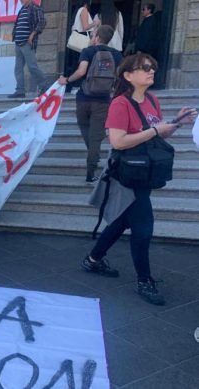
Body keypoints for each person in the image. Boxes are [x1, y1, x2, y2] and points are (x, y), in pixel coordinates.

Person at [84, 53, 197, 305]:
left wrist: (176, 123)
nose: (151, 71)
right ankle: (144, 281)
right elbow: (117, 141)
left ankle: (93, 259)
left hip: (144, 173)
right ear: (128, 75)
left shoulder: (152, 100)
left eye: (153, 67)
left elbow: (154, 139)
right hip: (126, 175)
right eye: (145, 68)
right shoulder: (120, 104)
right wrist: (156, 129)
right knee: (143, 228)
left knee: (123, 220)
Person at [58, 25, 122, 183]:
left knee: (84, 127)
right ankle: (91, 172)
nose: (91, 37)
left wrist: (66, 80)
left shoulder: (88, 51)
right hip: (103, 100)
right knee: (95, 136)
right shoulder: (116, 54)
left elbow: (81, 72)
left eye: (93, 35)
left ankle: (93, 153)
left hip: (84, 97)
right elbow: (120, 75)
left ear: (98, 38)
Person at [8, 0, 47, 98]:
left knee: (32, 66)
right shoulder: (22, 9)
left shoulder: (35, 8)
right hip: (18, 42)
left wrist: (32, 35)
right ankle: (20, 90)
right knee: (18, 68)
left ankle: (44, 86)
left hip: (27, 43)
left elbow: (42, 22)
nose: (21, 1)